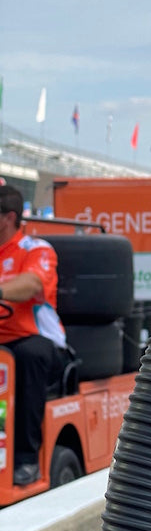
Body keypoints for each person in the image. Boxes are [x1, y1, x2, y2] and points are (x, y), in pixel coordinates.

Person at [0, 187, 67, 485]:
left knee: (28, 356)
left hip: (35, 341)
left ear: (9, 217)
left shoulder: (36, 249)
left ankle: (26, 459)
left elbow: (30, 284)